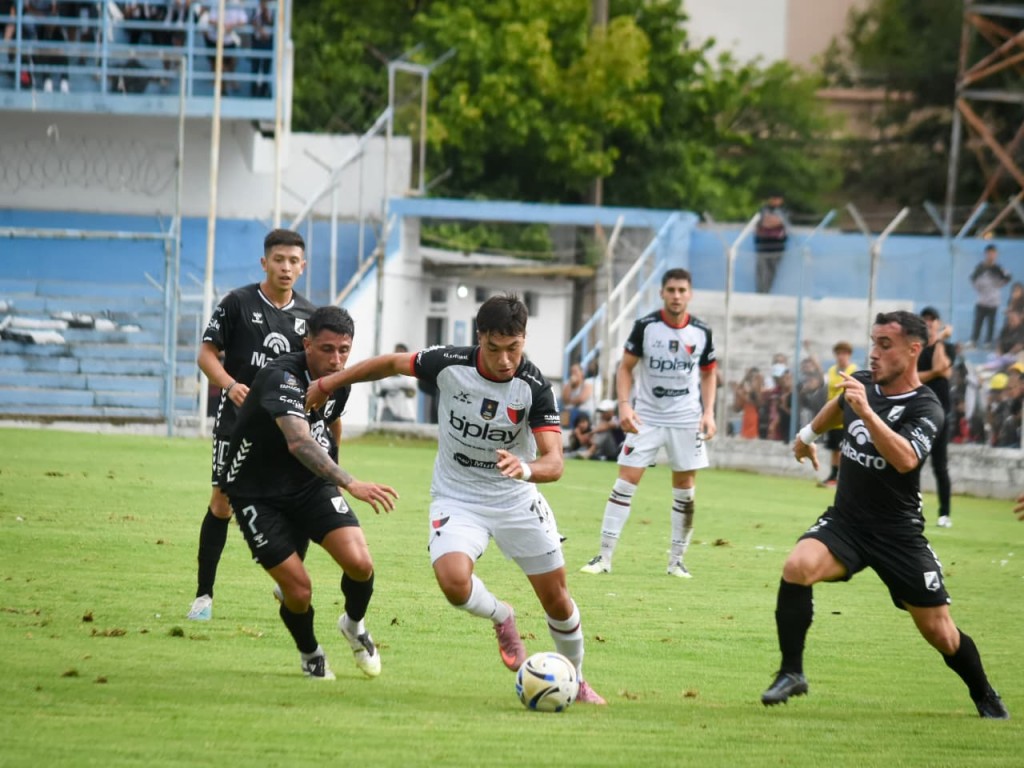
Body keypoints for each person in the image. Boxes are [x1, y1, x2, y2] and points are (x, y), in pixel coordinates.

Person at [305, 293, 606, 704]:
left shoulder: (534, 387)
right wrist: (327, 382)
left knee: (556, 598)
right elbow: (392, 364)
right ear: (479, 337)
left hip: (516, 500)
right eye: (494, 349)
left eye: (513, 349)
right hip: (457, 497)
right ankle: (503, 615)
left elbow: (555, 461)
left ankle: (578, 679)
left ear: (524, 339)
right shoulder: (449, 363)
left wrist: (527, 469)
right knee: (453, 583)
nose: (504, 360)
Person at [761, 310, 1009, 719]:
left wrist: (869, 413)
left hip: (898, 534)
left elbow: (906, 459)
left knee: (940, 633)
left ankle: (983, 692)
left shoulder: (927, 407)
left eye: (884, 345)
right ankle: (792, 672)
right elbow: (840, 406)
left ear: (914, 350)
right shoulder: (861, 383)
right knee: (797, 566)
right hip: (848, 523)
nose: (873, 353)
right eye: (873, 342)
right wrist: (807, 436)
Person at [220, 306, 398, 679]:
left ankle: (353, 624)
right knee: (299, 591)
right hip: (256, 492)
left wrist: (332, 471)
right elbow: (299, 442)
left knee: (361, 564)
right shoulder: (280, 377)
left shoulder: (339, 381)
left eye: (344, 350)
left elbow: (331, 422)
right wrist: (350, 482)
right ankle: (310, 653)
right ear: (307, 345)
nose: (336, 360)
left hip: (309, 483)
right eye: (327, 349)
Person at [187, 228, 316, 622]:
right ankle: (204, 596)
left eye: (294, 261)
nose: (286, 267)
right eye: (279, 259)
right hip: (235, 424)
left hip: (284, 427)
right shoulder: (237, 303)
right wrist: (230, 384)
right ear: (265, 262)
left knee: (301, 503)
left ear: (302, 267)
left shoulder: (310, 317)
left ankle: (286, 581)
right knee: (222, 504)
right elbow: (206, 355)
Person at [580, 268, 717, 578]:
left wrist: (708, 412)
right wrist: (625, 406)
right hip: (647, 417)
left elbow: (709, 373)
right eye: (671, 290)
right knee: (625, 481)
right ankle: (603, 557)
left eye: (682, 290)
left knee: (685, 488)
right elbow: (625, 368)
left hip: (686, 419)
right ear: (662, 293)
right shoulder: (645, 327)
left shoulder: (702, 331)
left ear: (690, 293)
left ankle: (677, 561)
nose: (677, 295)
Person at [918, 307, 956, 528]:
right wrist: (934, 373)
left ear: (938, 323)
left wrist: (940, 341)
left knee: (940, 466)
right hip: (920, 414)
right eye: (926, 320)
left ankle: (944, 514)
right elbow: (915, 375)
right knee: (913, 464)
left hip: (941, 415)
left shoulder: (947, 347)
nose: (929, 323)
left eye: (933, 319)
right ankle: (913, 510)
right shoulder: (917, 349)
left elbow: (944, 368)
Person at [819, 341, 857, 487]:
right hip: (832, 415)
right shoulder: (831, 370)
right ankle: (833, 476)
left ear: (849, 355)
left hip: (846, 415)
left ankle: (843, 478)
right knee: (834, 449)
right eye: (839, 353)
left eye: (844, 353)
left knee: (844, 449)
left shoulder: (853, 370)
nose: (841, 356)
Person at [970, 244, 1012, 348]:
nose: (991, 255)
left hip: (994, 302)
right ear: (986, 254)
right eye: (989, 253)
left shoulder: (999, 268)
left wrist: (998, 285)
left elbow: (1008, 277)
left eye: (994, 253)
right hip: (981, 301)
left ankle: (988, 342)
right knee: (978, 322)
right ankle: (974, 340)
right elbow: (972, 279)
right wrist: (980, 289)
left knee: (991, 323)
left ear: (996, 255)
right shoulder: (980, 267)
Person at [754, 194, 788, 293]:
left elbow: (778, 222)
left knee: (772, 271)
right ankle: (760, 292)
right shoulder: (763, 210)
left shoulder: (784, 211)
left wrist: (771, 221)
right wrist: (770, 222)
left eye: (777, 198)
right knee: (761, 271)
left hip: (777, 247)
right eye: (773, 198)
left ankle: (767, 291)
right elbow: (762, 222)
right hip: (762, 246)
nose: (775, 200)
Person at [377, 343, 417, 422]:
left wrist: (392, 383)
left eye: (401, 353)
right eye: (396, 352)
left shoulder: (410, 369)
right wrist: (401, 385)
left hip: (406, 413)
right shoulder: (386, 369)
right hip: (389, 411)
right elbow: (383, 384)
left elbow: (409, 382)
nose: (398, 355)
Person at [560, 362, 593, 430]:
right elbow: (564, 400)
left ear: (581, 373)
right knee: (563, 411)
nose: (573, 374)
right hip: (570, 411)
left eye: (575, 371)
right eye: (571, 372)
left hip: (584, 411)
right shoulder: (568, 384)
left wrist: (570, 401)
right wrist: (570, 384)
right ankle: (564, 431)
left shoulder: (587, 384)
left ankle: (571, 431)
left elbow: (581, 399)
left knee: (571, 412)